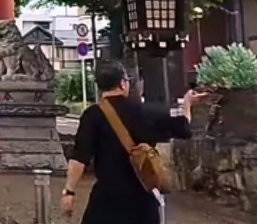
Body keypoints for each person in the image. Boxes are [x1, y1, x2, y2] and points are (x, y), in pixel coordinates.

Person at [62, 63, 203, 224]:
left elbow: (79, 158)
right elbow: (184, 128)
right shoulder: (144, 111)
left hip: (106, 200)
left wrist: (69, 191)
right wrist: (188, 103)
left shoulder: (92, 116)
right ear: (122, 83)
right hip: (142, 199)